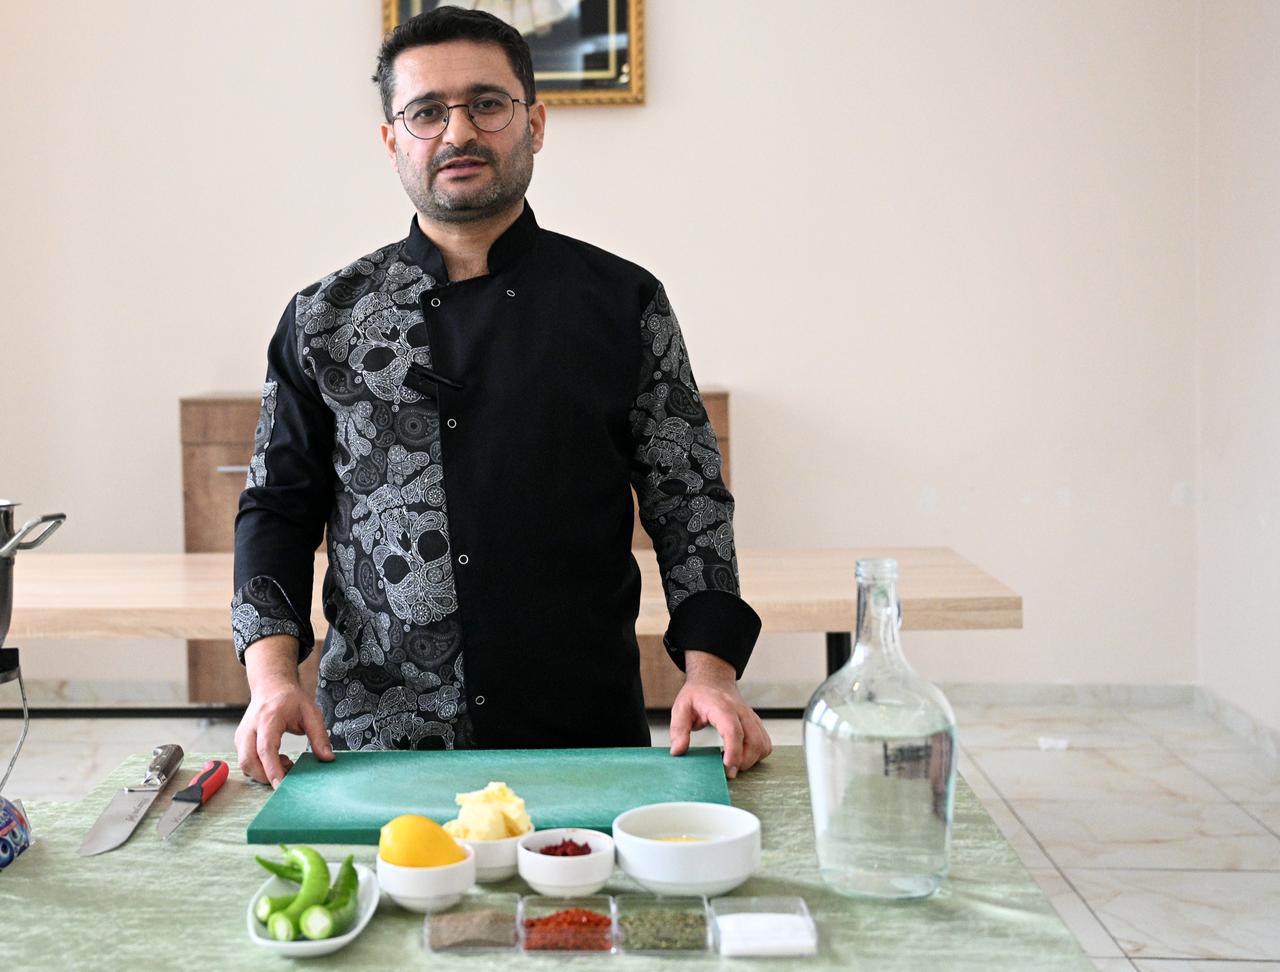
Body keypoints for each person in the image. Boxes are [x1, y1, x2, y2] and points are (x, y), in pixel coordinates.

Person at [232, 7, 771, 789]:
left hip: (579, 730)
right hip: (377, 739)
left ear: (535, 123)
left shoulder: (621, 303)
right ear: (393, 140)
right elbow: (276, 507)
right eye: (426, 112)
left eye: (487, 104)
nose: (458, 132)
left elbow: (687, 501)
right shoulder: (327, 318)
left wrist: (712, 674)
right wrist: (273, 680)